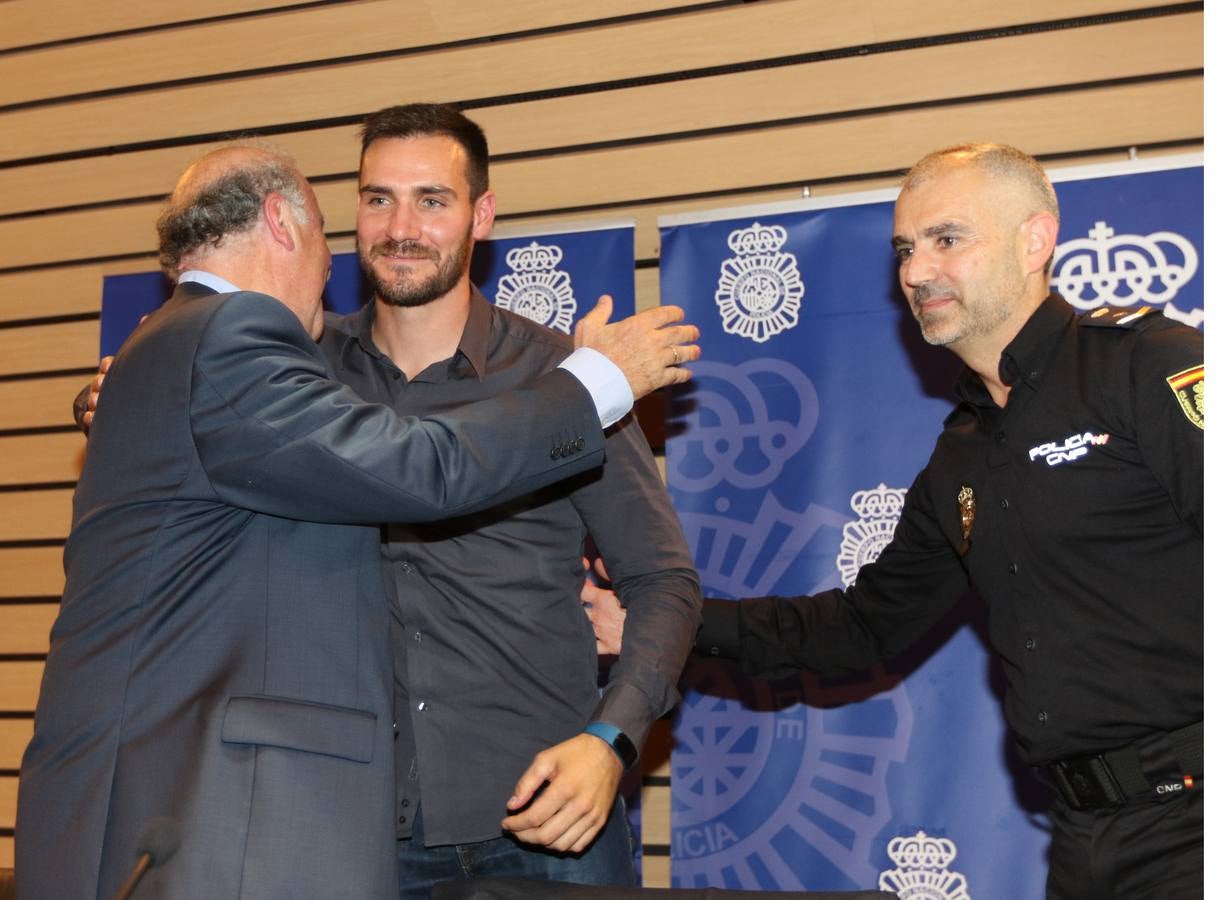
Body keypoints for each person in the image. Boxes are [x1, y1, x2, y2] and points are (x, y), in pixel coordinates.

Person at [19, 144, 698, 900]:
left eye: (432, 200)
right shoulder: (287, 359)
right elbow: (417, 468)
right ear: (294, 221)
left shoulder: (552, 374)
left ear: (482, 215)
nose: (400, 226)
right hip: (344, 828)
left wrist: (611, 740)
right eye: (376, 200)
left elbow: (663, 578)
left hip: (541, 820)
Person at [587, 143, 1203, 899]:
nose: (915, 272)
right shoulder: (966, 451)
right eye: (906, 249)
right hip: (1086, 837)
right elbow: (861, 627)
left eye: (948, 239)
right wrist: (661, 624)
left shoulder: (1145, 365)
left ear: (1035, 240)